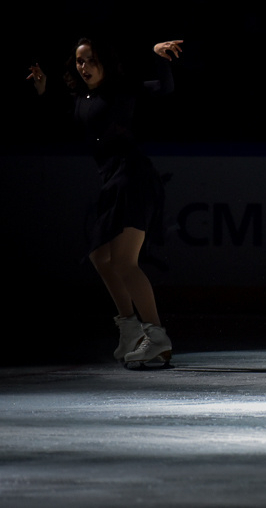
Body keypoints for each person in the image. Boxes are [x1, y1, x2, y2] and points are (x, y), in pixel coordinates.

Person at [28, 38, 183, 367]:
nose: (84, 67)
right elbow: (61, 120)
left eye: (91, 61)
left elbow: (164, 89)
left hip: (132, 178)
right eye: (80, 62)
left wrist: (159, 59)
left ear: (105, 63)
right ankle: (130, 329)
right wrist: (43, 91)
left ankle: (157, 338)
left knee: (125, 262)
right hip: (111, 182)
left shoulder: (120, 90)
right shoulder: (81, 99)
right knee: (100, 256)